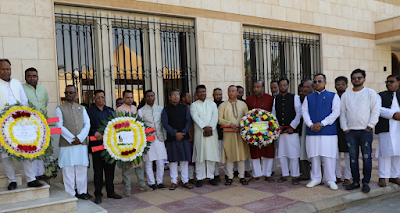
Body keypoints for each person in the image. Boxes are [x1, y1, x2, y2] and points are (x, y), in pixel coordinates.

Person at [0, 59, 42, 190]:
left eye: (8, 69)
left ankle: (31, 179)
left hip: (20, 122)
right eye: (3, 69)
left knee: (25, 150)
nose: (6, 71)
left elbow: (24, 101)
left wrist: (25, 116)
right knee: (5, 154)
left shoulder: (17, 83)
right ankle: (12, 180)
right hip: (3, 123)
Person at [340, 69, 380, 193]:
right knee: (353, 158)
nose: (357, 80)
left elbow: (375, 110)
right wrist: (345, 128)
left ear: (364, 79)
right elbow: (342, 113)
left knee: (367, 157)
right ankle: (356, 181)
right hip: (350, 132)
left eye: (359, 77)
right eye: (354, 78)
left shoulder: (370, 92)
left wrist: (370, 125)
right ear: (351, 80)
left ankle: (366, 182)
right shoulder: (346, 95)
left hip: (365, 131)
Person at [302, 73, 340, 190]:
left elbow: (336, 113)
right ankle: (316, 178)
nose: (317, 83)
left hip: (328, 131)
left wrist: (322, 123)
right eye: (315, 81)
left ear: (325, 82)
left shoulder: (333, 96)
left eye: (319, 81)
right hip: (312, 131)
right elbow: (304, 112)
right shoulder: (308, 98)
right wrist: (311, 125)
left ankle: (330, 180)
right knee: (314, 155)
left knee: (329, 156)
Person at [87, 90, 122, 204]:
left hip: (109, 146)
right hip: (96, 146)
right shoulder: (89, 111)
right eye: (98, 97)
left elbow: (115, 125)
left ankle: (110, 192)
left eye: (102, 97)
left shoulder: (110, 110)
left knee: (110, 170)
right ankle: (98, 194)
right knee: (98, 171)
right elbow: (86, 126)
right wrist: (93, 132)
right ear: (94, 98)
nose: (101, 99)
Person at [55, 85, 90, 198]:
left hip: (81, 143)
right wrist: (72, 139)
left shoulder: (82, 108)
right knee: (68, 168)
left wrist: (79, 138)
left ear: (76, 94)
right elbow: (59, 125)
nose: (68, 94)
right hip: (67, 144)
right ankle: (70, 193)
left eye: (71, 92)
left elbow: (87, 124)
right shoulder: (59, 109)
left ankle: (82, 192)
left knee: (81, 167)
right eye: (66, 93)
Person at [116, 90, 152, 196]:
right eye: (127, 97)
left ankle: (142, 184)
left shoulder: (134, 108)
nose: (130, 99)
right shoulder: (119, 110)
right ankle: (127, 188)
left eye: (131, 97)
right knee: (126, 165)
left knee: (139, 164)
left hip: (135, 140)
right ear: (123, 99)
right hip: (125, 141)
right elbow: (118, 126)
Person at [218, 85, 251, 186]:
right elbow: (219, 119)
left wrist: (242, 125)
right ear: (227, 93)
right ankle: (230, 177)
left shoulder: (243, 104)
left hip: (240, 134)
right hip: (228, 134)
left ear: (237, 93)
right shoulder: (223, 105)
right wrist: (229, 124)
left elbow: (248, 117)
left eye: (233, 91)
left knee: (241, 155)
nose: (231, 93)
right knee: (229, 155)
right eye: (229, 91)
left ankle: (241, 176)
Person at [162, 89, 193, 190]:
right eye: (173, 95)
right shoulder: (166, 109)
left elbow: (189, 121)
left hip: (184, 137)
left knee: (184, 161)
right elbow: (165, 123)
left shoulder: (185, 108)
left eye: (177, 95)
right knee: (173, 161)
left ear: (180, 97)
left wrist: (183, 132)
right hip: (172, 138)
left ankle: (185, 181)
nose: (176, 96)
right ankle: (174, 182)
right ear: (170, 97)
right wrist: (175, 133)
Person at [272, 78, 302, 185]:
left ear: (288, 86)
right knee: (282, 154)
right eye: (280, 85)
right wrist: (276, 125)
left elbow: (299, 113)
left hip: (291, 131)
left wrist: (292, 126)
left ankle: (295, 175)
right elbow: (273, 114)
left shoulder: (295, 97)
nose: (282, 87)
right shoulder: (276, 98)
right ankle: (284, 174)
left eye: (284, 85)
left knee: (293, 154)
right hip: (281, 131)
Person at [191, 85, 221, 187]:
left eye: (203, 91)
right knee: (200, 155)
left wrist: (210, 128)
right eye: (199, 92)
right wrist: (204, 127)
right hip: (200, 133)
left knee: (211, 155)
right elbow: (195, 117)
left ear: (206, 93)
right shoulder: (194, 105)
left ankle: (211, 176)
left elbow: (215, 116)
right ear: (196, 94)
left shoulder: (212, 104)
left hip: (211, 133)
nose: (202, 93)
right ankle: (199, 177)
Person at [245, 81, 275, 183]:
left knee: (268, 151)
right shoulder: (249, 99)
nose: (256, 89)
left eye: (258, 87)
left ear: (263, 88)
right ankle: (256, 174)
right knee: (255, 152)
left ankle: (268, 174)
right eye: (254, 87)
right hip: (254, 131)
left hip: (267, 131)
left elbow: (273, 114)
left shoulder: (270, 98)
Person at [22, 67, 49, 180]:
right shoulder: (21, 88)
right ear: (25, 77)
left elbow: (45, 102)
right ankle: (32, 174)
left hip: (42, 123)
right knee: (31, 148)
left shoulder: (43, 89)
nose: (32, 78)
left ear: (37, 77)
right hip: (28, 124)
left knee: (41, 147)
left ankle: (40, 172)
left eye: (34, 76)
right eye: (29, 76)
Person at [138, 90, 168, 190]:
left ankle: (159, 181)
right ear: (145, 98)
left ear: (154, 97)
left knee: (160, 162)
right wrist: (147, 130)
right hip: (148, 140)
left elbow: (164, 124)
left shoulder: (160, 109)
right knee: (149, 162)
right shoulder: (141, 111)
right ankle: (151, 183)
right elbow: (139, 126)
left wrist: (165, 137)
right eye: (148, 96)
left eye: (152, 96)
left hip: (159, 138)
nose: (150, 98)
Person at [375, 74, 400, 187]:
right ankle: (382, 176)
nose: (388, 83)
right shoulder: (380, 95)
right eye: (387, 81)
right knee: (385, 152)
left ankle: (394, 176)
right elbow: (377, 109)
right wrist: (392, 114)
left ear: (398, 83)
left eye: (391, 81)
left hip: (398, 128)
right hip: (386, 127)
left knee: (398, 152)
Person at [334, 76, 351, 186]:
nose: (340, 86)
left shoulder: (349, 97)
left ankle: (347, 177)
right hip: (334, 129)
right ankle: (337, 175)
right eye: (338, 84)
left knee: (348, 155)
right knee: (335, 154)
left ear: (346, 86)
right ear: (335, 85)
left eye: (343, 84)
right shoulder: (332, 97)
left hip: (347, 129)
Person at [179, 92, 196, 184]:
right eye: (188, 97)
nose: (190, 98)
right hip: (183, 136)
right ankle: (185, 178)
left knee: (192, 158)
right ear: (183, 99)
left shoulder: (192, 107)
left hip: (193, 136)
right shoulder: (180, 108)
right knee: (184, 158)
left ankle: (191, 176)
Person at [299, 80, 313, 181]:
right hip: (303, 128)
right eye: (304, 87)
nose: (305, 89)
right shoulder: (300, 98)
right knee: (303, 151)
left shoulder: (316, 97)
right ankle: (305, 174)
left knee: (315, 152)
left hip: (315, 127)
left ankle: (317, 175)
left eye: (308, 87)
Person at [213, 88, 225, 181]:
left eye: (220, 94)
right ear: (213, 95)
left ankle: (227, 173)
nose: (218, 96)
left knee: (226, 155)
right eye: (216, 94)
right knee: (215, 156)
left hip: (225, 134)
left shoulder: (225, 105)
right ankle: (216, 174)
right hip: (215, 134)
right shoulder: (210, 105)